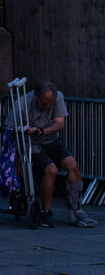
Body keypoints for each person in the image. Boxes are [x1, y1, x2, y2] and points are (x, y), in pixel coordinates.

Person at [16, 79, 96, 228]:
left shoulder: (58, 97)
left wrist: (42, 131)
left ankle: (76, 210)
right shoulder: (22, 104)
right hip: (31, 144)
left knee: (72, 165)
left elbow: (60, 124)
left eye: (50, 103)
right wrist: (16, 160)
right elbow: (10, 133)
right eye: (44, 103)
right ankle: (46, 212)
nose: (48, 106)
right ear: (36, 96)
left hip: (51, 140)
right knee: (51, 170)